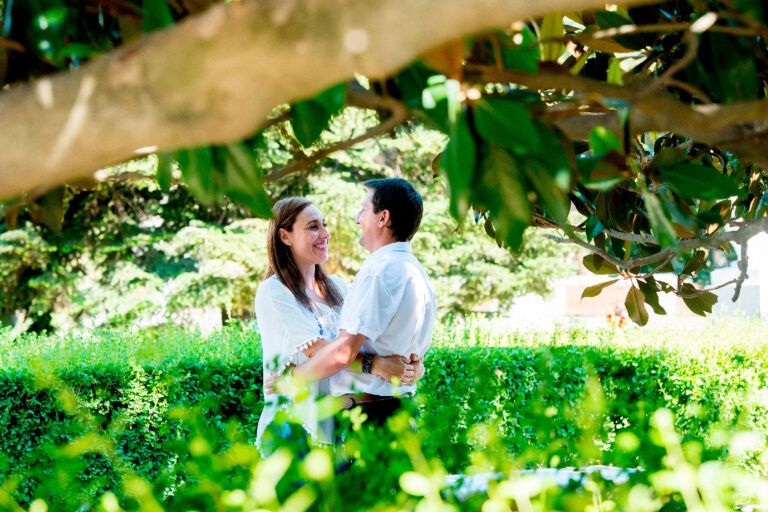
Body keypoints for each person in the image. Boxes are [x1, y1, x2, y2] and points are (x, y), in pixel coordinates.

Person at [254, 197, 420, 454]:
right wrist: (375, 365)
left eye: (324, 225)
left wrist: (410, 367)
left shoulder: (339, 287)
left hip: (337, 424)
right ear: (285, 236)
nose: (325, 234)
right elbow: (319, 350)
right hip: (293, 426)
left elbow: (363, 342)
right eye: (313, 227)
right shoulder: (274, 291)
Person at [292, 178, 436, 426]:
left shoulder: (379, 272)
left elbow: (343, 352)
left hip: (371, 416)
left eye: (364, 210)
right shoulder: (416, 271)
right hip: (399, 410)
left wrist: (292, 378)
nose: (358, 219)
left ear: (383, 218)